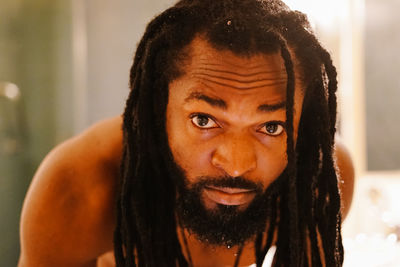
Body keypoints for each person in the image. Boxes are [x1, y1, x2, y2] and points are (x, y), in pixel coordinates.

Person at [18, 0, 355, 266]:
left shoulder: (320, 180)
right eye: (205, 120)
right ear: (157, 110)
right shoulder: (80, 188)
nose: (236, 165)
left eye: (271, 127)